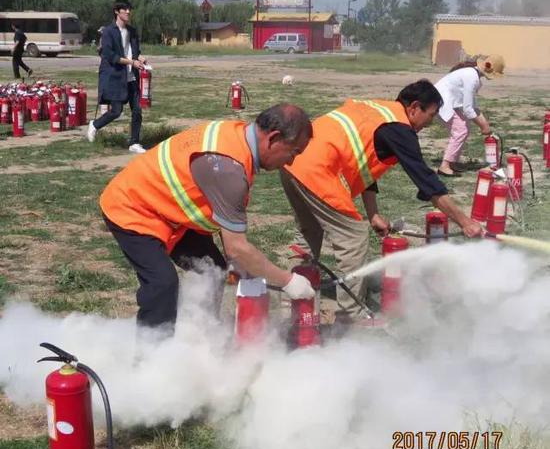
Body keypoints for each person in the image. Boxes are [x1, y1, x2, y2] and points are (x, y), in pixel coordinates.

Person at [99, 103, 315, 335]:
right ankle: (150, 360)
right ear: (273, 138)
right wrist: (288, 281)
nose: (291, 162)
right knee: (162, 284)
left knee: (213, 271)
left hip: (170, 213)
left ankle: (201, 338)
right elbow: (237, 249)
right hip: (133, 206)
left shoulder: (237, 137)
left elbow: (230, 235)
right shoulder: (228, 168)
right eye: (294, 152)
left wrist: (247, 269)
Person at [280, 80, 484, 323]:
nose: (430, 123)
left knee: (309, 232)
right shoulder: (398, 128)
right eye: (430, 115)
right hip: (317, 171)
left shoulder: (379, 111)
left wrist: (373, 213)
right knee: (354, 238)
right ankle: (351, 317)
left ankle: (289, 302)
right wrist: (465, 222)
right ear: (414, 108)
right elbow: (428, 182)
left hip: (292, 163)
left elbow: (363, 165)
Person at [87, 0, 147, 154]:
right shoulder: (108, 31)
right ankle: (94, 125)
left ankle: (134, 142)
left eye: (129, 9)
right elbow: (110, 55)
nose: (128, 12)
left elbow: (135, 52)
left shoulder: (132, 31)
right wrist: (131, 62)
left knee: (137, 110)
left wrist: (140, 58)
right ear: (116, 11)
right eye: (125, 9)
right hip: (116, 76)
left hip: (131, 76)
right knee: (116, 111)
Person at [436, 54, 505, 176]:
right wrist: (483, 126)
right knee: (461, 130)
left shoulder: (473, 76)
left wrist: (485, 124)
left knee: (464, 129)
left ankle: (452, 162)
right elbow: (468, 109)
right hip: (441, 102)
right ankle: (445, 165)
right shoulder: (472, 78)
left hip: (449, 102)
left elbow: (473, 106)